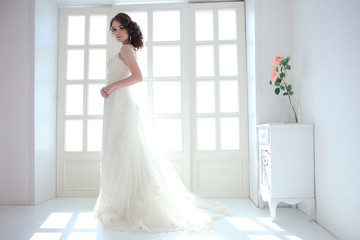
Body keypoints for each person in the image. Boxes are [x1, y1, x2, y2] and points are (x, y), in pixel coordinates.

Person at [93, 12, 225, 233]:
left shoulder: (126, 49)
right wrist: (109, 87)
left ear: (128, 28)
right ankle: (121, 202)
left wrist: (111, 86)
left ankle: (129, 205)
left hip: (122, 103)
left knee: (125, 150)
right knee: (120, 151)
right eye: (113, 29)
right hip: (117, 104)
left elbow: (137, 77)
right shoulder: (125, 49)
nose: (116, 33)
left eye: (120, 28)